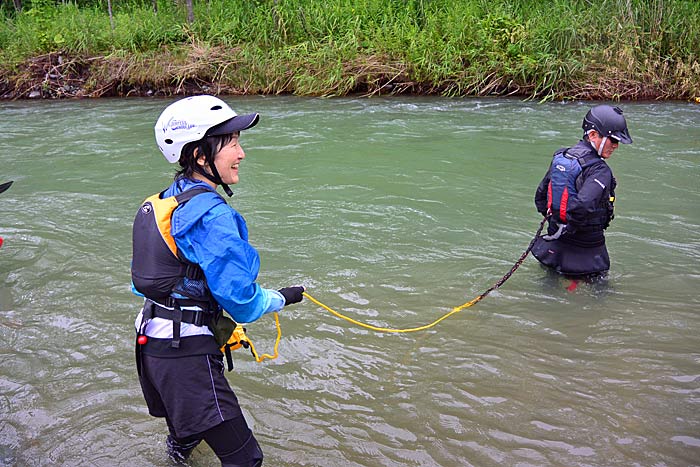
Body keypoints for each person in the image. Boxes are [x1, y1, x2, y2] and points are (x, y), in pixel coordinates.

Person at [131, 95, 305, 467]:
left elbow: (148, 280)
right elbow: (241, 301)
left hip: (153, 346)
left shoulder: (164, 201)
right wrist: (282, 298)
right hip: (186, 356)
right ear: (200, 155)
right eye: (233, 143)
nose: (242, 153)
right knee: (246, 459)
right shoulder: (213, 215)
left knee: (186, 437)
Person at [531, 104, 632, 279]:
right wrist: (571, 228)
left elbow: (540, 196)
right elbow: (583, 206)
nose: (616, 146)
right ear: (593, 135)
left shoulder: (562, 156)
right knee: (600, 298)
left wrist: (558, 224)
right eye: (613, 140)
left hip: (553, 245)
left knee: (549, 290)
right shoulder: (599, 170)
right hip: (586, 250)